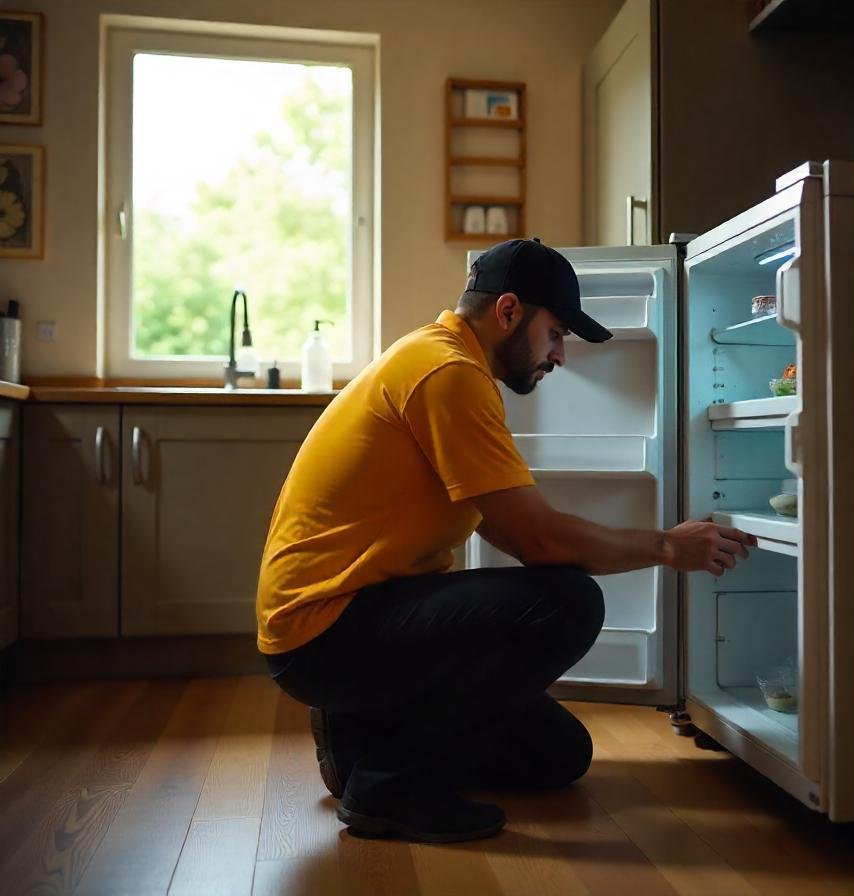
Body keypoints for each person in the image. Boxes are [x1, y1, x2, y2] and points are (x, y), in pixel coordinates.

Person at [256, 237, 755, 843]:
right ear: (509, 311)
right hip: (324, 634)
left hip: (350, 622)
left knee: (559, 755)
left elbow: (512, 527)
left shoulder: (439, 360)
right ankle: (388, 786)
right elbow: (538, 544)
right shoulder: (448, 374)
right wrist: (667, 547)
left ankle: (358, 737)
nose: (561, 355)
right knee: (568, 602)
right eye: (556, 333)